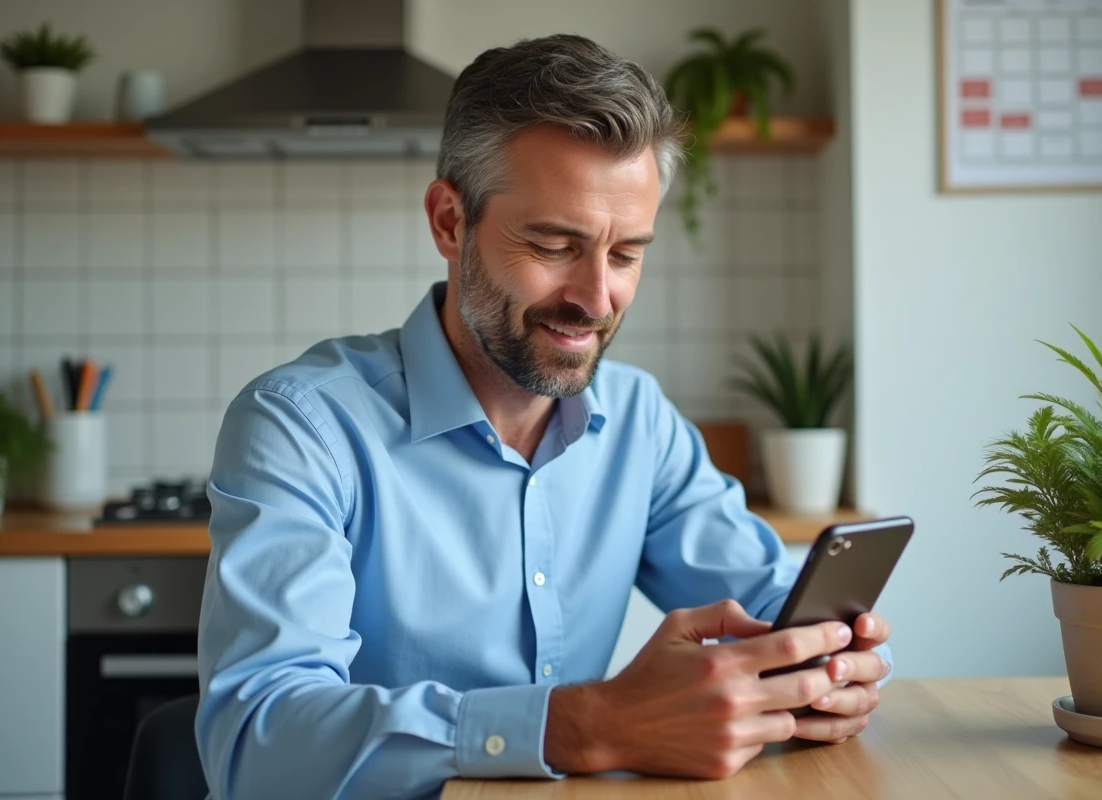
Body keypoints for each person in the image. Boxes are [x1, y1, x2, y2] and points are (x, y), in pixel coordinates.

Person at [195, 33, 892, 800]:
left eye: (625, 254)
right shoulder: (302, 427)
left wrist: (831, 663)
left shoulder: (638, 423)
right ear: (449, 223)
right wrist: (583, 725)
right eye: (556, 244)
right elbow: (255, 746)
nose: (596, 298)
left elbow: (770, 602)